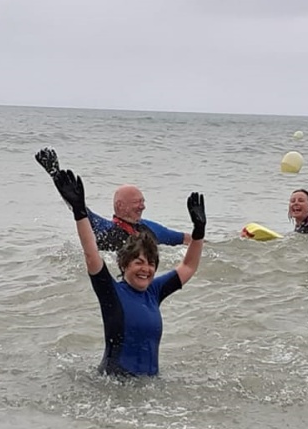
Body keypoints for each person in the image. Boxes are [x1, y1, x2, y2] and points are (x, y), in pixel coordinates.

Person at [48, 165, 205, 376]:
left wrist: (199, 231)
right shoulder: (111, 292)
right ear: (124, 265)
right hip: (114, 388)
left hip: (149, 389)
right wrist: (78, 210)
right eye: (138, 263)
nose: (145, 269)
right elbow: (91, 254)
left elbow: (188, 266)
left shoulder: (154, 292)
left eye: (150, 264)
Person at [34, 148, 190, 250]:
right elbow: (77, 207)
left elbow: (185, 239)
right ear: (120, 206)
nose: (142, 207)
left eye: (143, 202)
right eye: (137, 202)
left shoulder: (150, 228)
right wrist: (55, 174)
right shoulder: (105, 229)